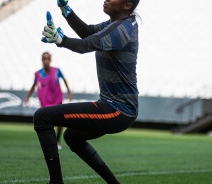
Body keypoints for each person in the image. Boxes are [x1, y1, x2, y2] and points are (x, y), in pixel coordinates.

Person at [35, 0, 140, 183]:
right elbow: (87, 32)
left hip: (119, 110)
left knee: (42, 117)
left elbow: (86, 45)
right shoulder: (117, 23)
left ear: (126, 5)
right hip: (114, 106)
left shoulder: (123, 30)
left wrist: (61, 40)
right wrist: (65, 10)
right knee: (72, 137)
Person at [25, 52, 72, 149]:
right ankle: (51, 142)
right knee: (48, 123)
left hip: (57, 99)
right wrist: (28, 97)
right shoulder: (38, 73)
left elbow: (64, 80)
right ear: (42, 60)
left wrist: (69, 92)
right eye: (44, 59)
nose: (46, 61)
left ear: (50, 60)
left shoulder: (57, 71)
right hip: (45, 102)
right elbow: (34, 85)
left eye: (48, 59)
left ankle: (58, 140)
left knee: (60, 122)